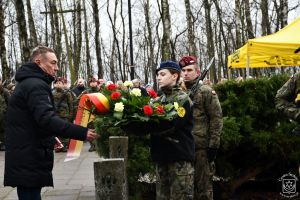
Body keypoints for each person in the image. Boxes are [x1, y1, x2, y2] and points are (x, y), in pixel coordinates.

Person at [4, 46, 98, 200]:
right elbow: (46, 119)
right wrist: (82, 132)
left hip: (26, 152)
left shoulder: (29, 83)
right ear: (39, 62)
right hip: (30, 154)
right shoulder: (35, 85)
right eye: (53, 63)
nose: (57, 68)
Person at [179, 56, 223, 200]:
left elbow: (216, 119)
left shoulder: (205, 91)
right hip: (183, 147)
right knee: (184, 190)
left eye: (189, 70)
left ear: (197, 72)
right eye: (183, 70)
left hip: (201, 148)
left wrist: (213, 145)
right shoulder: (179, 93)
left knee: (203, 189)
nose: (185, 73)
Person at [153, 61, 195, 199]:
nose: (158, 77)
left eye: (162, 74)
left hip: (179, 160)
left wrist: (148, 126)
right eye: (158, 74)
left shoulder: (182, 99)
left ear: (174, 76)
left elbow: (172, 124)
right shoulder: (159, 100)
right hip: (162, 157)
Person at [52, 77, 74, 152]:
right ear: (54, 84)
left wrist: (71, 114)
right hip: (55, 114)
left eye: (60, 83)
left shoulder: (67, 93)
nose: (58, 84)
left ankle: (65, 145)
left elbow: (70, 104)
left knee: (64, 130)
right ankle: (59, 145)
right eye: (57, 83)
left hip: (65, 114)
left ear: (62, 84)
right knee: (56, 130)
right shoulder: (52, 93)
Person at [0, 78, 10, 151]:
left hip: (4, 116)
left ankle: (3, 144)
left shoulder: (5, 92)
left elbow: (10, 103)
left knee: (3, 130)